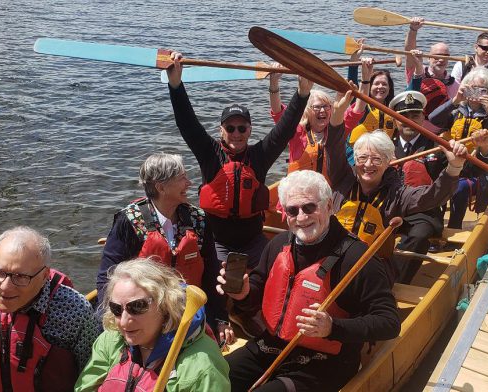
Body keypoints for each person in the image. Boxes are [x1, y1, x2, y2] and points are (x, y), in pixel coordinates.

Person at [166, 51, 311, 337]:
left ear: (249, 129)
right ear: (221, 130)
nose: (236, 133)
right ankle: (221, 320)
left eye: (242, 127)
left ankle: (249, 314)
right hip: (217, 242)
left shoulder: (258, 156)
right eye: (230, 127)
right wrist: (176, 85)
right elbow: (188, 124)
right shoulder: (210, 154)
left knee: (272, 275)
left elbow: (284, 130)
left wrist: (302, 92)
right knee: (220, 283)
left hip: (254, 241)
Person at [219, 170, 400, 392]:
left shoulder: (359, 259)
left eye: (309, 207)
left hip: (325, 363)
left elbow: (389, 323)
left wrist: (332, 327)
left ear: (329, 205)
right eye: (292, 210)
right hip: (271, 347)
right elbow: (257, 288)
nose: (302, 217)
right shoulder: (278, 245)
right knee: (212, 377)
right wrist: (243, 293)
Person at [326, 89, 468, 281]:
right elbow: (333, 149)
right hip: (333, 257)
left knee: (419, 234)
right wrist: (336, 117)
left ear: (388, 162)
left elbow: (431, 196)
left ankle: (398, 280)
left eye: (376, 160)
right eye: (363, 158)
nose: (368, 165)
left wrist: (454, 167)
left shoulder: (397, 193)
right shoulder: (343, 177)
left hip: (372, 262)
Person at [0, 226, 99, 392]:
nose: (5, 288)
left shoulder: (74, 310)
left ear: (44, 276)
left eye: (20, 276)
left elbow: (94, 379)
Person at [96, 152, 232, 345]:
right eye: (182, 178)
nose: (189, 184)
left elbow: (211, 272)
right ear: (161, 187)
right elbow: (106, 277)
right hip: (144, 316)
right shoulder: (129, 222)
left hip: (190, 313)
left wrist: (220, 318)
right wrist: (113, 324)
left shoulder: (198, 220)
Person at [76, 258, 230, 391]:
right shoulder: (110, 340)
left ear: (165, 305)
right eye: (116, 309)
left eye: (137, 307)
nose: (123, 321)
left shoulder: (202, 368)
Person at [430, 66, 488, 229]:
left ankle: (454, 226)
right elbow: (433, 119)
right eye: (472, 88)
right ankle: (434, 226)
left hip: (474, 171)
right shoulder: (456, 110)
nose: (476, 94)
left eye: (482, 90)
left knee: (459, 187)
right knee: (436, 184)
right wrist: (455, 100)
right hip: (450, 165)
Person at [388, 91, 449, 283]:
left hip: (424, 211)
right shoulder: (385, 146)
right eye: (403, 116)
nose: (409, 121)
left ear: (423, 118)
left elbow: (469, 172)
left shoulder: (438, 146)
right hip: (390, 207)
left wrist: (483, 150)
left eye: (415, 115)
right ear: (395, 120)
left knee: (419, 235)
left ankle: (395, 282)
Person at [269, 67, 335, 180]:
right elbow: (278, 112)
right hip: (299, 192)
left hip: (324, 193)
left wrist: (365, 79)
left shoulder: (336, 132)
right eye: (317, 107)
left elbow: (355, 112)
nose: (323, 110)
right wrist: (274, 83)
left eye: (326, 106)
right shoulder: (297, 132)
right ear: (307, 111)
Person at [344, 59, 396, 164]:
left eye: (384, 84)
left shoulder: (394, 109)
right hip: (358, 156)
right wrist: (355, 60)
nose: (380, 87)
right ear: (369, 86)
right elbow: (352, 84)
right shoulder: (361, 105)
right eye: (376, 83)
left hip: (383, 157)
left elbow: (412, 90)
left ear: (390, 88)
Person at [451, 32, 488, 98]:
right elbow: (453, 92)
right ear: (476, 47)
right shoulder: (460, 65)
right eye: (485, 48)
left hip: (486, 105)